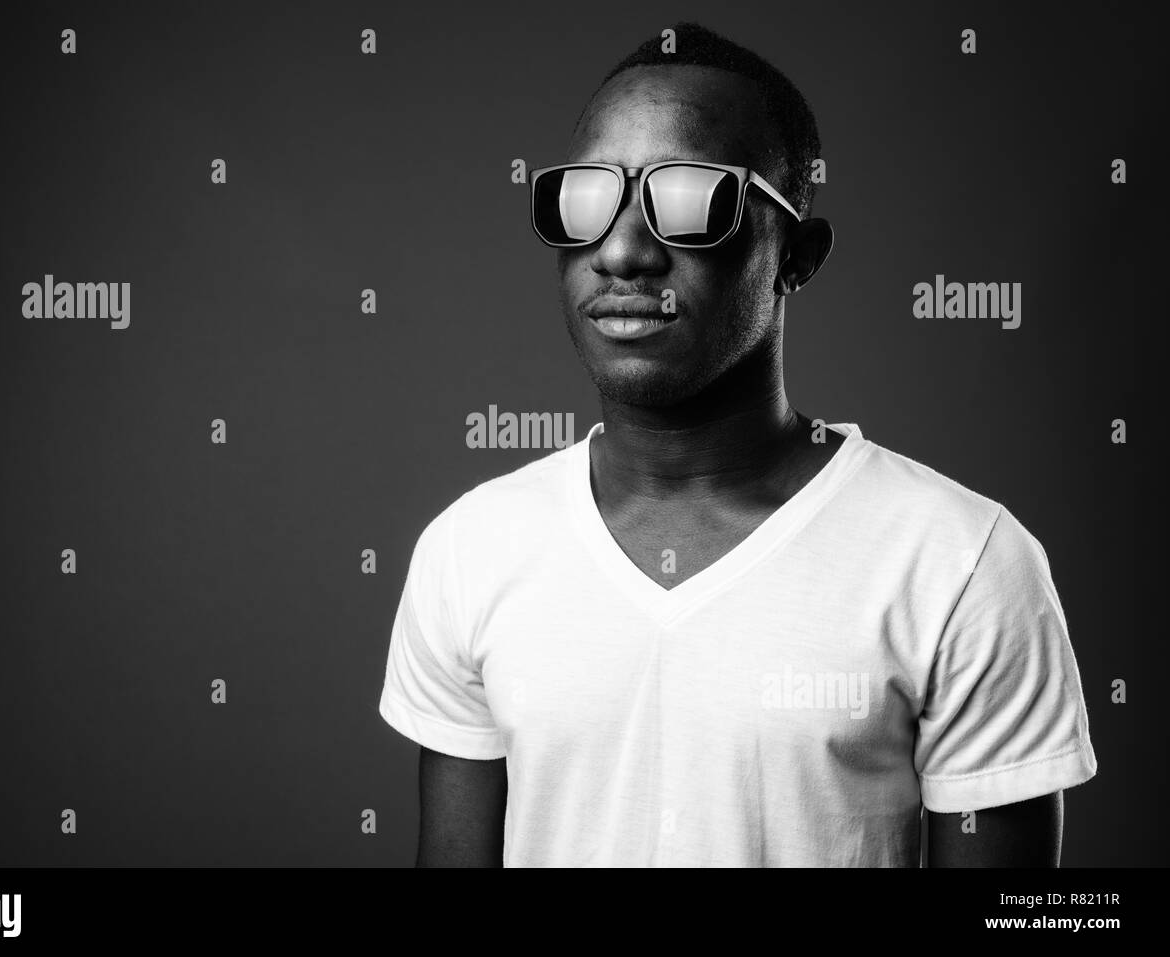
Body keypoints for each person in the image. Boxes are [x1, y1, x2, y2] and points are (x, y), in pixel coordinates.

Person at [378, 21, 1097, 866]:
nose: (622, 250)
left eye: (690, 201)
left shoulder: (962, 562)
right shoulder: (470, 549)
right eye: (584, 200)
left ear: (797, 254)